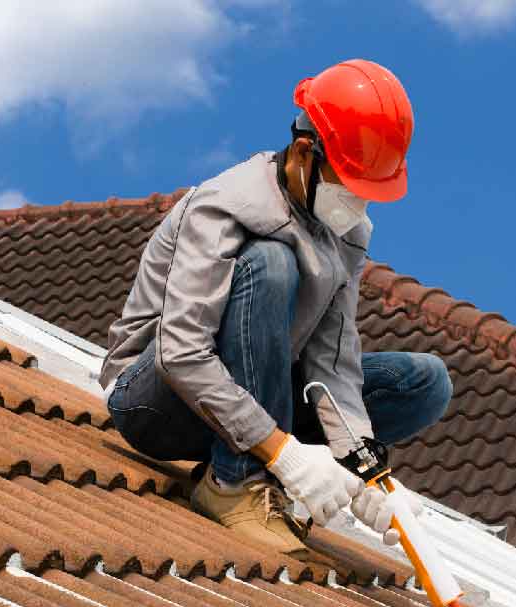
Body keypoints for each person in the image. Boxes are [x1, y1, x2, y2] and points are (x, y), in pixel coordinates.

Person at [99, 59, 452, 560]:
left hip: (253, 391)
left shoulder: (346, 232)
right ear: (305, 152)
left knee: (423, 381)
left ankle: (263, 454)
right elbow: (180, 354)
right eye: (350, 186)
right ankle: (234, 482)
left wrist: (366, 472)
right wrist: (284, 455)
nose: (358, 206)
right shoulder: (225, 206)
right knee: (270, 263)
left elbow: (332, 363)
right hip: (155, 398)